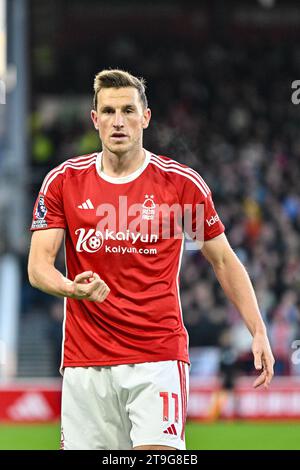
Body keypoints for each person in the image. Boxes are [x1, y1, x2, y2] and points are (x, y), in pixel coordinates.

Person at [28, 69, 275, 450]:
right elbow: (38, 265)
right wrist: (69, 288)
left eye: (128, 110)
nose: (118, 121)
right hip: (85, 362)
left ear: (146, 117)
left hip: (157, 357)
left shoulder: (180, 186)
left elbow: (223, 260)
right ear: (95, 120)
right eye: (108, 112)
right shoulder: (64, 182)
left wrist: (257, 329)